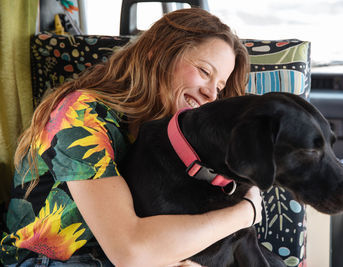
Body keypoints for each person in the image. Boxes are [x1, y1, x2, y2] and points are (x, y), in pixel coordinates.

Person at [0, 8, 263, 267]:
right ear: (158, 53)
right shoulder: (81, 115)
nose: (211, 95)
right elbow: (130, 252)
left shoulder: (171, 136)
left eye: (219, 87)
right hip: (43, 261)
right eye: (204, 72)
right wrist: (245, 213)